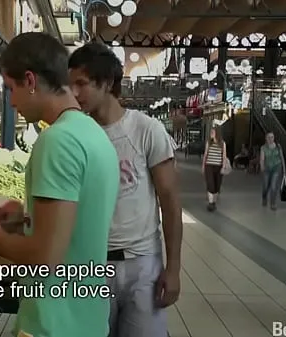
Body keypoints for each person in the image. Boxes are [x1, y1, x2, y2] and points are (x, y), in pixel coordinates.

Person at [0, 32, 120, 337]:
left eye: (11, 89)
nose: (12, 102)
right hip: (86, 317)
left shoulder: (58, 141)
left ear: (30, 81)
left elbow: (47, 258)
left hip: (54, 323)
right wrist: (25, 219)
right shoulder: (93, 134)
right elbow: (78, 225)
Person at [68, 42, 183, 337]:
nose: (75, 93)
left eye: (81, 83)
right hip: (92, 265)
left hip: (143, 264)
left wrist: (173, 269)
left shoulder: (146, 130)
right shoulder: (76, 135)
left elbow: (169, 202)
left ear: (106, 83)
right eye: (71, 85)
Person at [202, 126, 227, 211]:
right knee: (210, 184)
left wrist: (223, 167)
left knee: (217, 186)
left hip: (218, 166)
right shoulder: (209, 142)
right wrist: (203, 166)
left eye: (213, 132)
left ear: (217, 133)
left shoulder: (222, 143)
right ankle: (210, 203)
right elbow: (205, 155)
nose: (211, 134)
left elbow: (224, 156)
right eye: (211, 132)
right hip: (209, 166)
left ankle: (214, 202)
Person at [259, 132, 286, 210]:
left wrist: (284, 169)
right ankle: (264, 198)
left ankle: (273, 203)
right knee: (265, 186)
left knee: (273, 186)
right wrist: (262, 167)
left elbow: (282, 157)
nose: (270, 139)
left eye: (272, 137)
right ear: (266, 138)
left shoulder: (278, 146)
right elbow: (262, 159)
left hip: (277, 168)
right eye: (269, 137)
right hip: (267, 168)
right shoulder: (263, 148)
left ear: (274, 138)